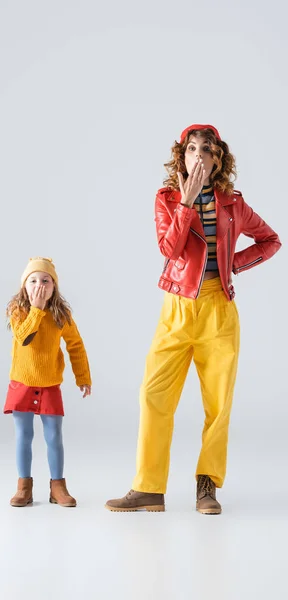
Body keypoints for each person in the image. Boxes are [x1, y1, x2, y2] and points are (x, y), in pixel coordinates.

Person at [105, 124, 281, 514]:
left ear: (218, 159)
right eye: (192, 149)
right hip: (177, 307)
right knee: (153, 395)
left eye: (207, 149)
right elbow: (169, 247)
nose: (199, 155)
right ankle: (149, 488)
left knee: (218, 404)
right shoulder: (166, 198)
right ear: (181, 157)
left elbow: (271, 240)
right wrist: (185, 202)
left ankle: (207, 487)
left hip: (219, 310)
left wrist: (232, 265)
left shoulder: (234, 204)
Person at [4, 257, 91, 508]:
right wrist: (37, 309)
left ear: (54, 286)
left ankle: (58, 486)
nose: (39, 285)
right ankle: (24, 487)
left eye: (45, 280)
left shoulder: (61, 314)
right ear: (24, 286)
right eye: (33, 280)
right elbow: (23, 338)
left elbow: (75, 344)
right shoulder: (17, 311)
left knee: (54, 436)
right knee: (24, 435)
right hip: (22, 383)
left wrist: (82, 377)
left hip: (50, 384)